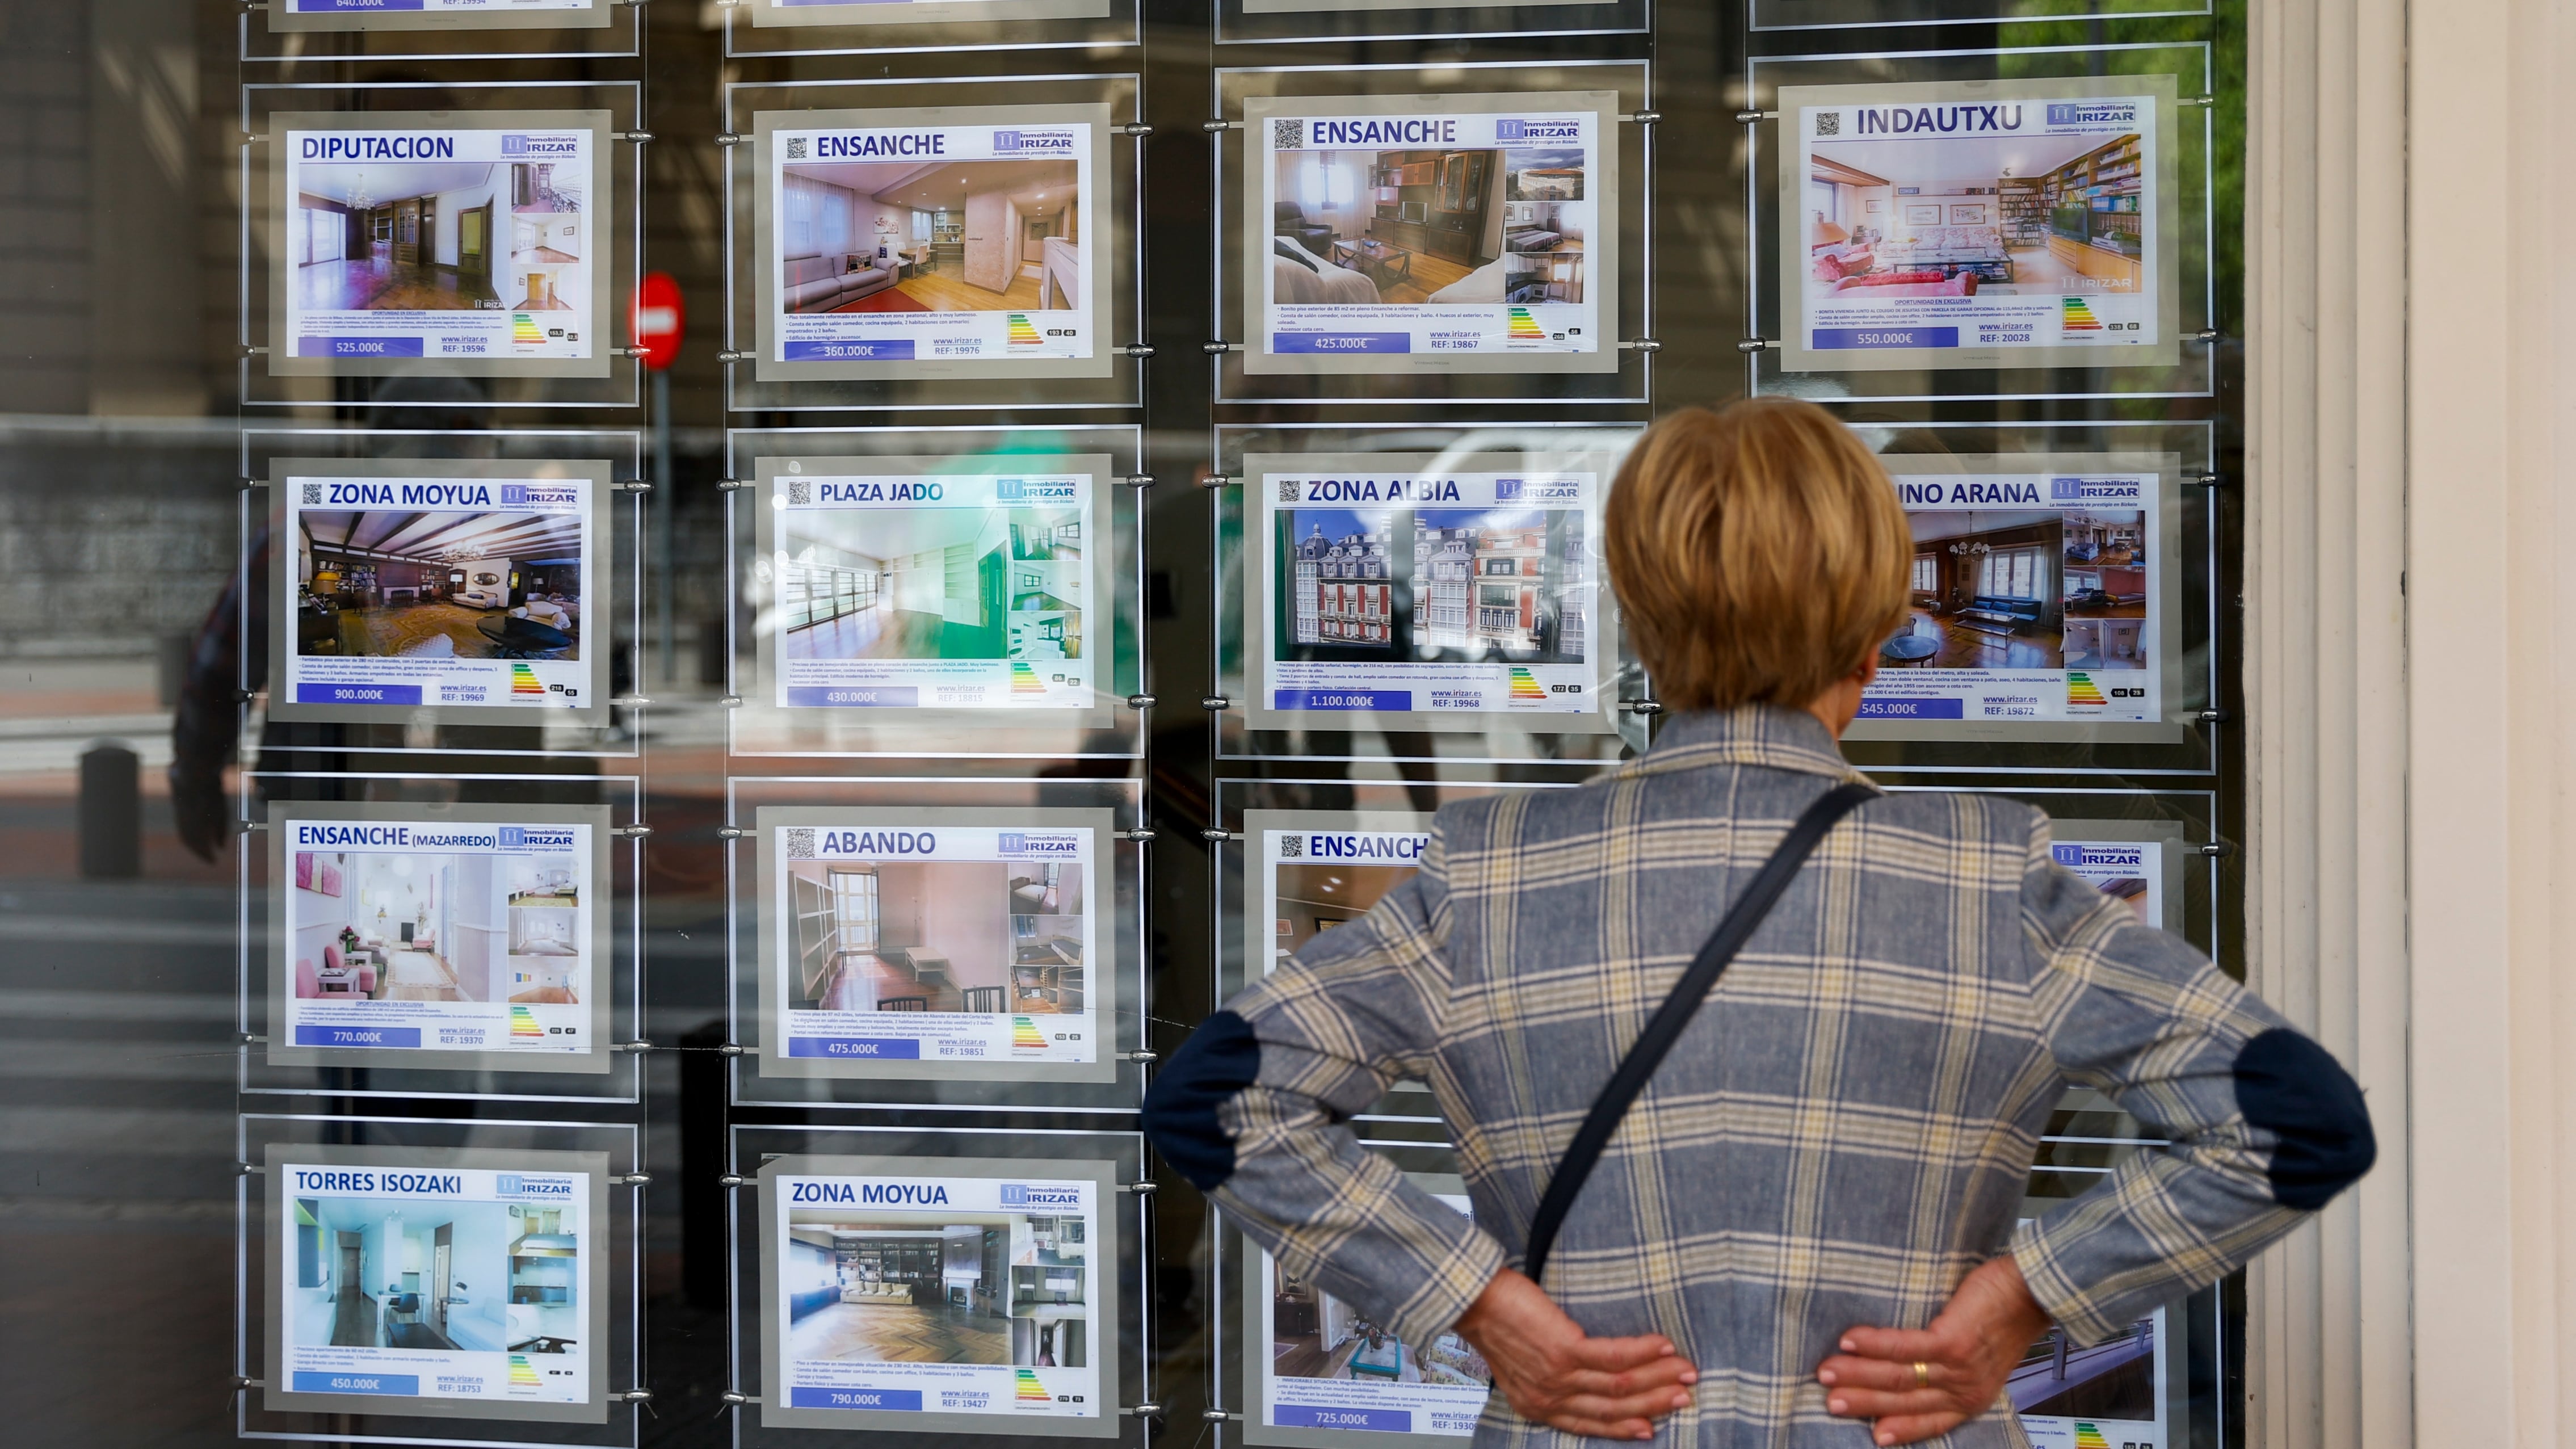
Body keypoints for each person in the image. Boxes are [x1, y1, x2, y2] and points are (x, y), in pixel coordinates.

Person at [1144, 398, 2374, 1448]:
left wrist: (1474, 1303)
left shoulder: (1489, 876)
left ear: (1633, 616)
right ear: (1879, 627)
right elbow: (2291, 1120)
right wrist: (2022, 1297)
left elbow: (1216, 1096)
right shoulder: (1994, 883)